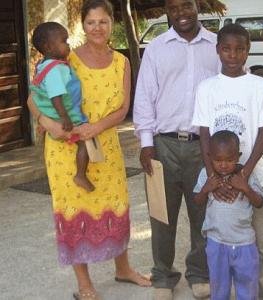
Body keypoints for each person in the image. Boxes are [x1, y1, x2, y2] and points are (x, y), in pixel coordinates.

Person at [27, 1, 151, 299]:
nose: (98, 28)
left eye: (104, 21)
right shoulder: (64, 57)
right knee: (74, 212)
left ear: (112, 24)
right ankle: (84, 283)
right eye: (92, 22)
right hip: (65, 150)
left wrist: (96, 128)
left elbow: (123, 108)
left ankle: (123, 269)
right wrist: (49, 124)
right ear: (83, 24)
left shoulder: (121, 61)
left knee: (115, 206)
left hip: (104, 145)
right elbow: (33, 98)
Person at [133, 0, 220, 298]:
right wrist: (147, 145)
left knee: (203, 212)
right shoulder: (156, 48)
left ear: (197, 6)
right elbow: (144, 97)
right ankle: (163, 277)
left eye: (187, 6)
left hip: (204, 147)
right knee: (161, 215)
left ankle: (200, 272)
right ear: (167, 12)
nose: (181, 13)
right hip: (163, 145)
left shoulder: (217, 45)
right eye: (174, 8)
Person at [192, 23, 263, 299]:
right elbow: (204, 134)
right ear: (218, 50)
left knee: (262, 244)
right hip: (216, 174)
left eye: (239, 49)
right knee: (220, 237)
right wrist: (215, 178)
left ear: (248, 51)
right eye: (227, 49)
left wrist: (244, 175)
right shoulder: (207, 88)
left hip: (254, 177)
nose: (233, 55)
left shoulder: (259, 86)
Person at [193, 130, 263, 300]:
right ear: (209, 157)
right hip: (216, 243)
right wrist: (206, 189)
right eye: (218, 160)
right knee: (219, 287)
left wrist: (245, 187)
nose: (223, 165)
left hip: (245, 244)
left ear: (238, 157)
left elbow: (260, 202)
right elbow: (197, 201)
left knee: (248, 287)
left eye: (229, 160)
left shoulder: (246, 176)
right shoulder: (206, 175)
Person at [31, 21, 94, 192]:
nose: (68, 45)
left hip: (58, 115)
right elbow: (56, 96)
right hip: (65, 115)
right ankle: (80, 174)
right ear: (48, 46)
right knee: (85, 141)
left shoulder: (46, 65)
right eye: (64, 41)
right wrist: (65, 117)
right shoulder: (54, 70)